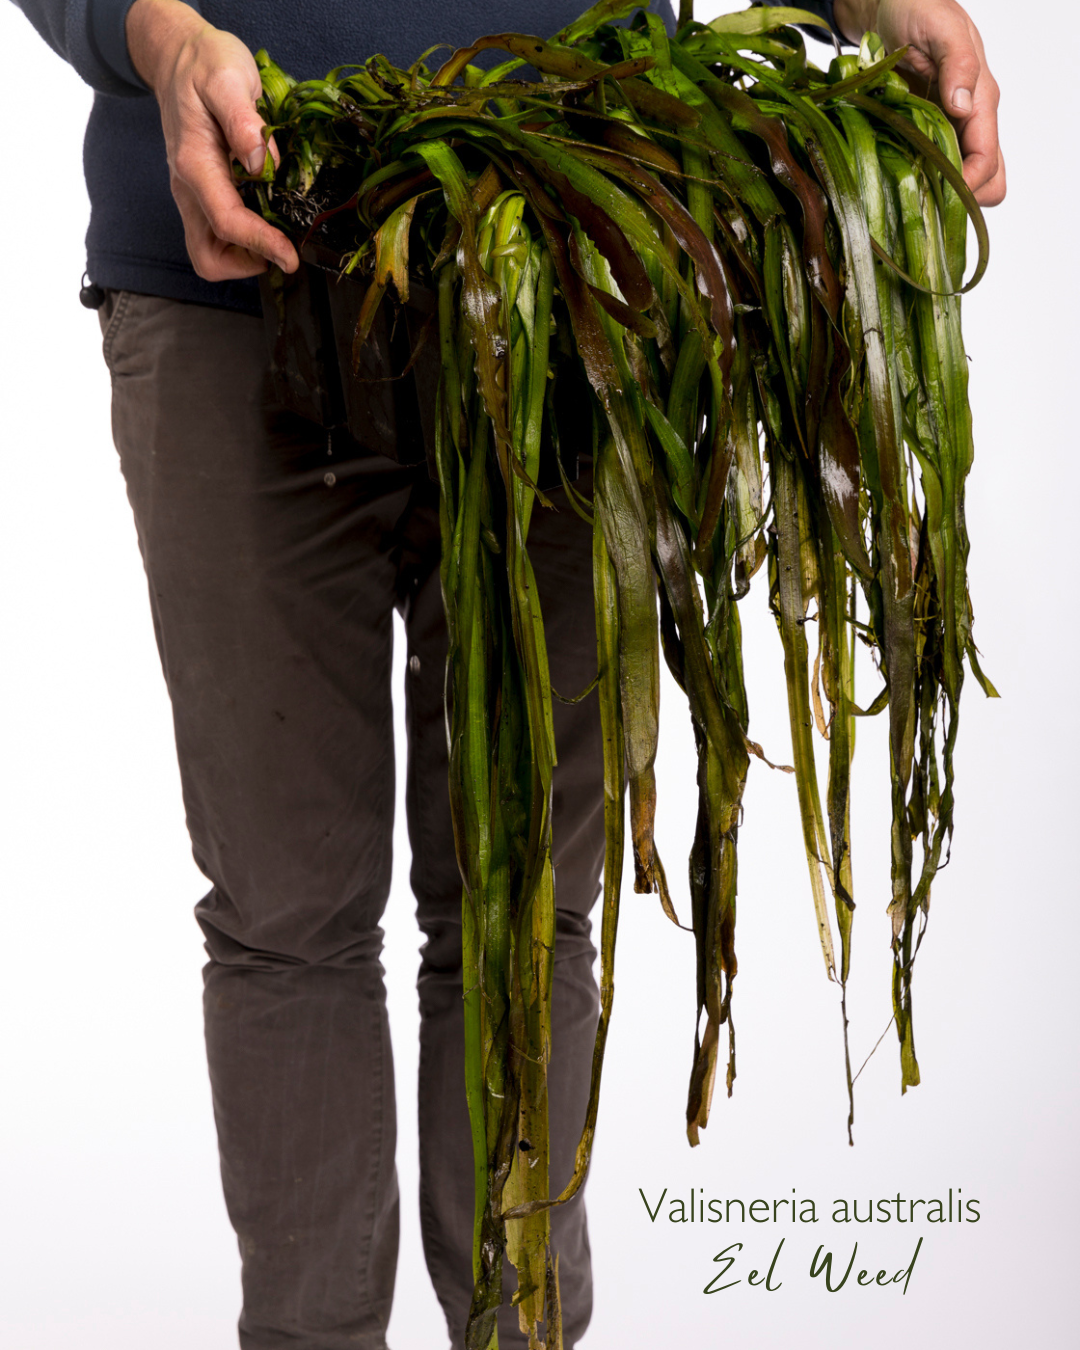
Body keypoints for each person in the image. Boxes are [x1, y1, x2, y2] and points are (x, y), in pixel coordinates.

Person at [9, 1, 1005, 1348]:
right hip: (229, 267)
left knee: (524, 899)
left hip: (580, 260)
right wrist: (160, 34)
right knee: (286, 911)